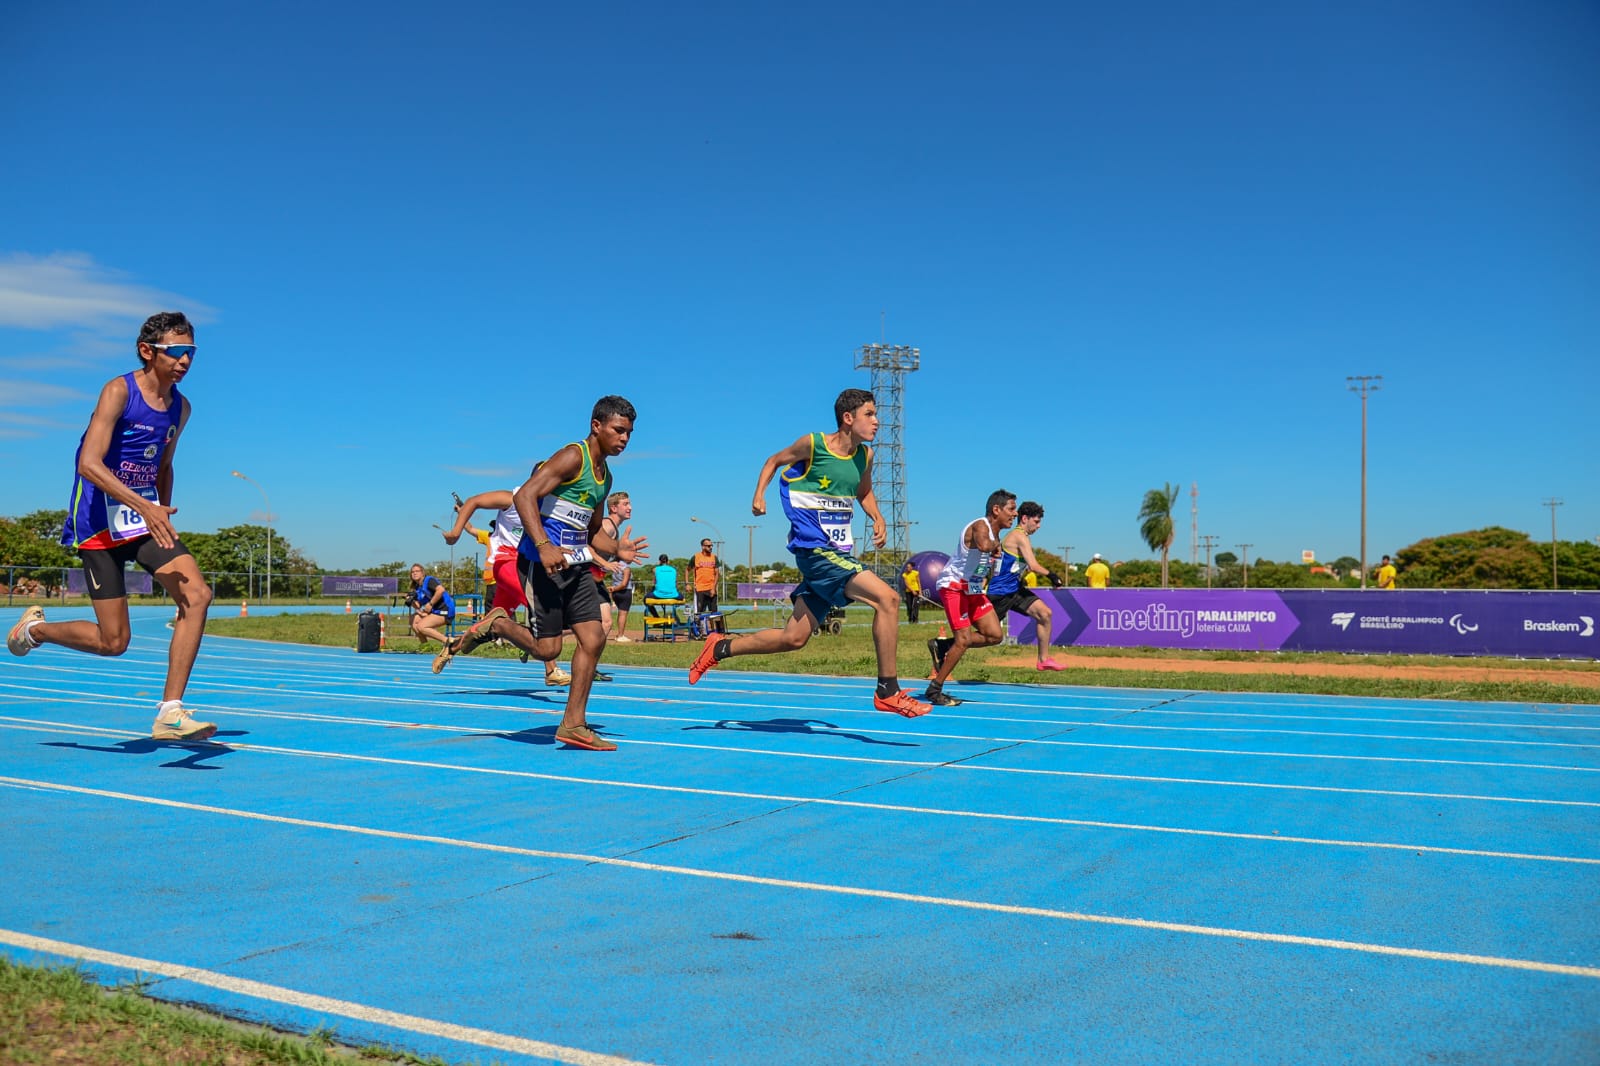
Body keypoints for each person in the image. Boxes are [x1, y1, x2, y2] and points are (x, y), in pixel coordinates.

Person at [6, 311, 216, 741]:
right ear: (147, 351)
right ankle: (35, 630)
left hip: (142, 520)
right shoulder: (119, 391)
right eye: (175, 351)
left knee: (198, 594)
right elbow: (87, 463)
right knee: (114, 641)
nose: (185, 361)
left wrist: (160, 511)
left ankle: (170, 711)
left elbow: (164, 465)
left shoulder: (182, 407)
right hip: (98, 521)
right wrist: (145, 505)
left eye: (190, 352)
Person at [688, 388, 930, 718]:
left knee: (794, 637)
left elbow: (864, 491)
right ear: (848, 418)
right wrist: (759, 494)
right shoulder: (813, 445)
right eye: (870, 414)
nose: (877, 422)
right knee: (887, 599)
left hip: (837, 552)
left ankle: (719, 645)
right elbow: (773, 460)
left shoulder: (865, 457)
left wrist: (876, 516)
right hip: (815, 551)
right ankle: (888, 690)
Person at [433, 395, 647, 751]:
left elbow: (593, 531)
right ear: (597, 426)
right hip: (539, 564)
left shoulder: (605, 476)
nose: (625, 439)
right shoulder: (572, 457)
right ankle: (499, 623)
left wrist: (615, 549)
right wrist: (544, 544)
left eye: (629, 433)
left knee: (593, 639)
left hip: (576, 566)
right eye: (619, 430)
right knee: (548, 650)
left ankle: (573, 724)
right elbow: (525, 496)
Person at [440, 490, 570, 686]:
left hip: (527, 563)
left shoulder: (550, 507)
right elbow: (473, 500)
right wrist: (456, 532)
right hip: (506, 562)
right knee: (540, 604)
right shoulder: (512, 499)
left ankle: (452, 646)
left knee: (491, 623)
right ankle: (551, 669)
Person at [923, 490, 1016, 706]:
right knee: (963, 640)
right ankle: (934, 689)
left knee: (995, 635)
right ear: (996, 509)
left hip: (972, 588)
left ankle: (944, 646)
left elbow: (984, 557)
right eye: (1011, 509)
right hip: (953, 586)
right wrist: (997, 547)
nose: (1015, 514)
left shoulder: (994, 533)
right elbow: (984, 545)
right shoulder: (981, 526)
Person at [985, 500, 1066, 671]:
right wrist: (1052, 576)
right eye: (1036, 522)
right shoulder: (1019, 536)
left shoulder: (1022, 537)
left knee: (1045, 614)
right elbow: (1034, 565)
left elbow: (1024, 565)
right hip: (1000, 593)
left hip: (1014, 590)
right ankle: (948, 646)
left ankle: (1043, 660)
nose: (1039, 526)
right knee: (989, 637)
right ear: (1024, 519)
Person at [601, 493, 636, 642]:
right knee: (598, 624)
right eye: (626, 504)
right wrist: (605, 564)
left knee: (606, 622)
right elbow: (586, 545)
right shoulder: (607, 525)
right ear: (614, 508)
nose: (630, 507)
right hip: (584, 577)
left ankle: (589, 662)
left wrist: (619, 552)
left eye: (630, 504)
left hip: (595, 578)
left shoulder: (614, 528)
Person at [407, 564, 455, 647]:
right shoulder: (418, 587)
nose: (414, 573)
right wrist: (410, 601)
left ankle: (448, 642)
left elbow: (441, 590)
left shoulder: (429, 580)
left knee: (421, 626)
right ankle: (425, 646)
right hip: (435, 611)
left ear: (422, 573)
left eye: (417, 571)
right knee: (413, 620)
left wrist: (430, 604)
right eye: (412, 572)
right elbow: (418, 605)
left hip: (445, 610)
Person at [691, 537, 721, 615]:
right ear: (703, 546)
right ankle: (698, 626)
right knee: (699, 611)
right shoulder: (696, 557)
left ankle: (715, 627)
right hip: (700, 588)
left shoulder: (714, 557)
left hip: (711, 588)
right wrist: (687, 583)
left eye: (711, 546)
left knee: (714, 612)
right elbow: (687, 569)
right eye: (708, 546)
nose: (710, 547)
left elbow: (717, 573)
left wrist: (714, 588)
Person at [900, 559, 921, 624]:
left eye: (909, 567)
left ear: (911, 567)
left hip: (916, 590)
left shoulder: (916, 573)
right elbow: (906, 584)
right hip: (909, 592)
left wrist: (920, 591)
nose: (907, 568)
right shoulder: (904, 575)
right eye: (907, 567)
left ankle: (915, 620)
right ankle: (910, 619)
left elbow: (918, 582)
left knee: (915, 606)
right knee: (909, 607)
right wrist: (912, 591)